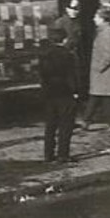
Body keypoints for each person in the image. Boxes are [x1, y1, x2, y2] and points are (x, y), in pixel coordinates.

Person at [39, 22, 83, 162]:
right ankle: (63, 154)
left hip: (50, 93)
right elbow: (72, 75)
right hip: (65, 93)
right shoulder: (67, 55)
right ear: (64, 40)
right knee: (65, 125)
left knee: (50, 125)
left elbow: (41, 75)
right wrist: (76, 91)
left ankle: (48, 154)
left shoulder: (44, 54)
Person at [85, 8, 110, 130]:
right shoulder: (103, 31)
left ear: (101, 18)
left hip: (105, 72)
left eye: (95, 16)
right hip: (102, 73)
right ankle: (87, 120)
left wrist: (99, 67)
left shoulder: (107, 33)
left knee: (107, 98)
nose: (93, 19)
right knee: (97, 96)